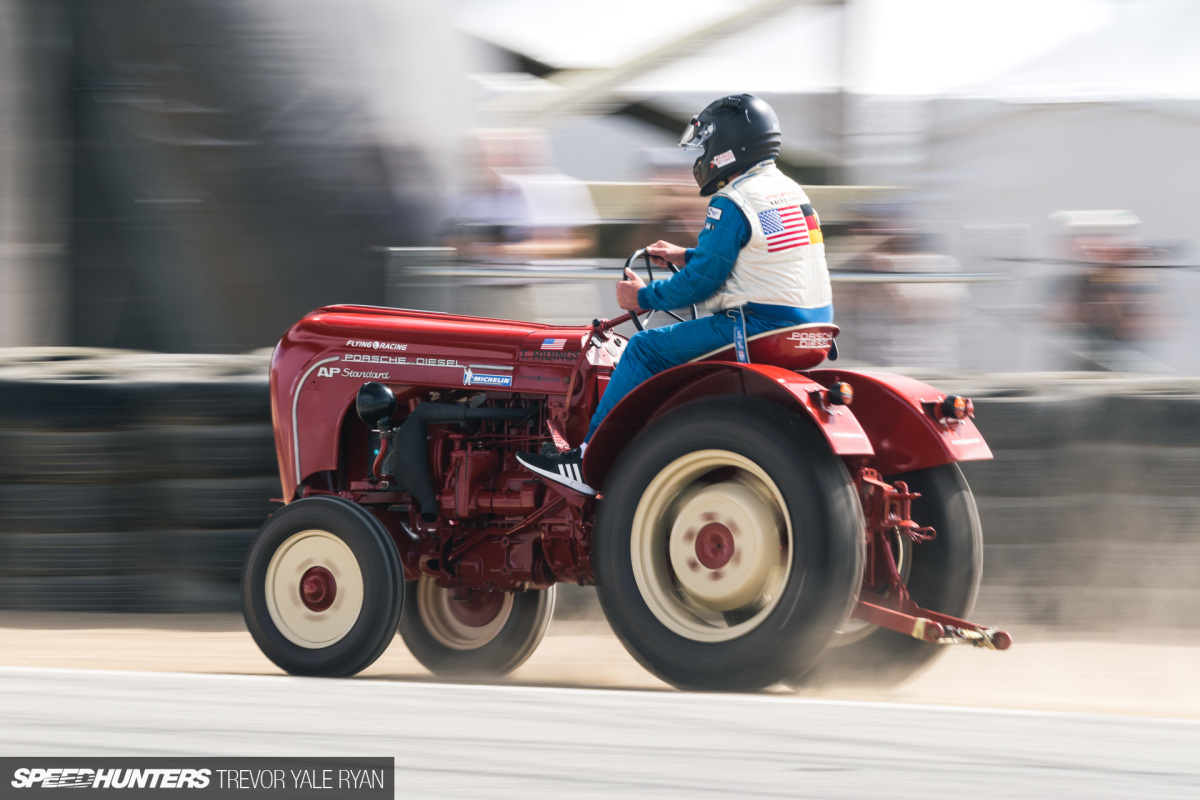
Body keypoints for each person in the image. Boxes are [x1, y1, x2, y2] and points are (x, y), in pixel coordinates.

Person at [517, 94, 833, 495]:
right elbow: (752, 257)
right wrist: (685, 254)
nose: (703, 156)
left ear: (727, 146)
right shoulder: (787, 191)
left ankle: (585, 459)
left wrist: (642, 298)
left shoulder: (733, 199)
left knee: (644, 348)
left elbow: (702, 284)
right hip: (814, 332)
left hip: (761, 328)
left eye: (706, 146)